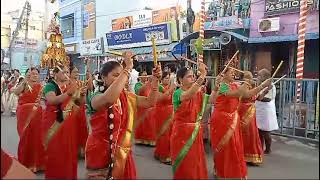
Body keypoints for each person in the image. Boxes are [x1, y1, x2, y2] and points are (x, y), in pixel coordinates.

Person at [85, 52, 162, 179]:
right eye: (116, 75)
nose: (122, 79)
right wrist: (127, 68)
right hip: (100, 153)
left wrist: (155, 80)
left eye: (122, 75)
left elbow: (150, 102)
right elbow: (109, 99)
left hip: (123, 152)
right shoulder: (96, 97)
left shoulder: (126, 96)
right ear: (103, 78)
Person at [210, 67, 271, 179]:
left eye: (234, 73)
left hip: (233, 118)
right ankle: (222, 171)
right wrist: (246, 83)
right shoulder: (222, 86)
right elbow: (237, 94)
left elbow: (248, 94)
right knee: (225, 147)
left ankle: (232, 171)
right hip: (222, 120)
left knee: (234, 146)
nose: (234, 74)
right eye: (231, 73)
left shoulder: (234, 85)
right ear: (224, 74)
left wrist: (262, 86)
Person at [170, 63, 212, 179]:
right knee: (185, 165)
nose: (192, 78)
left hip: (195, 132)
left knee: (195, 162)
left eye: (193, 76)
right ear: (180, 79)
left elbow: (211, 99)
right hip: (181, 134)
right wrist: (202, 75)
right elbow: (188, 95)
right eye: (189, 76)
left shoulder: (197, 92)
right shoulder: (177, 93)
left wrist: (217, 87)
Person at [42, 65, 84, 179]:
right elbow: (52, 100)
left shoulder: (69, 85)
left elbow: (79, 103)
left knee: (68, 151)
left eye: (67, 72)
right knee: (56, 153)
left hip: (69, 123)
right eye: (63, 72)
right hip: (54, 122)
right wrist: (68, 93)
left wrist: (82, 94)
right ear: (55, 74)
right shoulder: (50, 86)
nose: (66, 74)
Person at [14, 67, 45, 173]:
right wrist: (24, 82)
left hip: (37, 114)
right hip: (24, 114)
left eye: (36, 74)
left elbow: (46, 99)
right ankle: (26, 163)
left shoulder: (41, 86)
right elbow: (15, 92)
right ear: (28, 74)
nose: (35, 75)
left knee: (37, 138)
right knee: (26, 137)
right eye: (32, 73)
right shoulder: (24, 84)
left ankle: (38, 164)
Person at [239, 71, 264, 166]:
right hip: (244, 111)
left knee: (253, 134)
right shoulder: (242, 86)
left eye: (251, 77)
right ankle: (243, 155)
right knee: (245, 134)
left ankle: (252, 157)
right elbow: (247, 95)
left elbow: (258, 98)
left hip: (251, 111)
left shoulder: (253, 86)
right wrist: (261, 86)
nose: (250, 78)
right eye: (247, 77)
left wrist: (264, 90)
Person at [134, 70, 162, 146]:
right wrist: (149, 82)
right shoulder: (138, 84)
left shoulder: (150, 84)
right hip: (142, 108)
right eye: (144, 75)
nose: (145, 77)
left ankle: (150, 140)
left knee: (150, 124)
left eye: (146, 74)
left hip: (150, 108)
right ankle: (141, 139)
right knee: (143, 125)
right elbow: (139, 91)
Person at [154, 71, 175, 164]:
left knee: (170, 133)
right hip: (161, 112)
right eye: (166, 78)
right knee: (163, 133)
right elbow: (160, 98)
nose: (168, 79)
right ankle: (163, 155)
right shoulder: (158, 87)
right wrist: (170, 90)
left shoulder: (169, 87)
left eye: (168, 78)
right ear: (161, 79)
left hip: (170, 112)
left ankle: (167, 153)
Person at [256, 68, 278, 154]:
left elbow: (268, 99)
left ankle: (268, 149)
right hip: (259, 110)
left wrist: (258, 97)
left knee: (266, 131)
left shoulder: (271, 85)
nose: (258, 77)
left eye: (259, 75)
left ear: (265, 77)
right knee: (259, 131)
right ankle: (260, 147)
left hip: (266, 111)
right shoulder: (261, 84)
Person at [69, 64, 89, 158]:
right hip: (71, 109)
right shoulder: (67, 84)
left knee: (82, 128)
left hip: (80, 109)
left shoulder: (80, 83)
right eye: (74, 72)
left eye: (77, 72)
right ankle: (72, 151)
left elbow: (83, 101)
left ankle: (81, 151)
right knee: (73, 130)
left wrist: (83, 95)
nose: (77, 74)